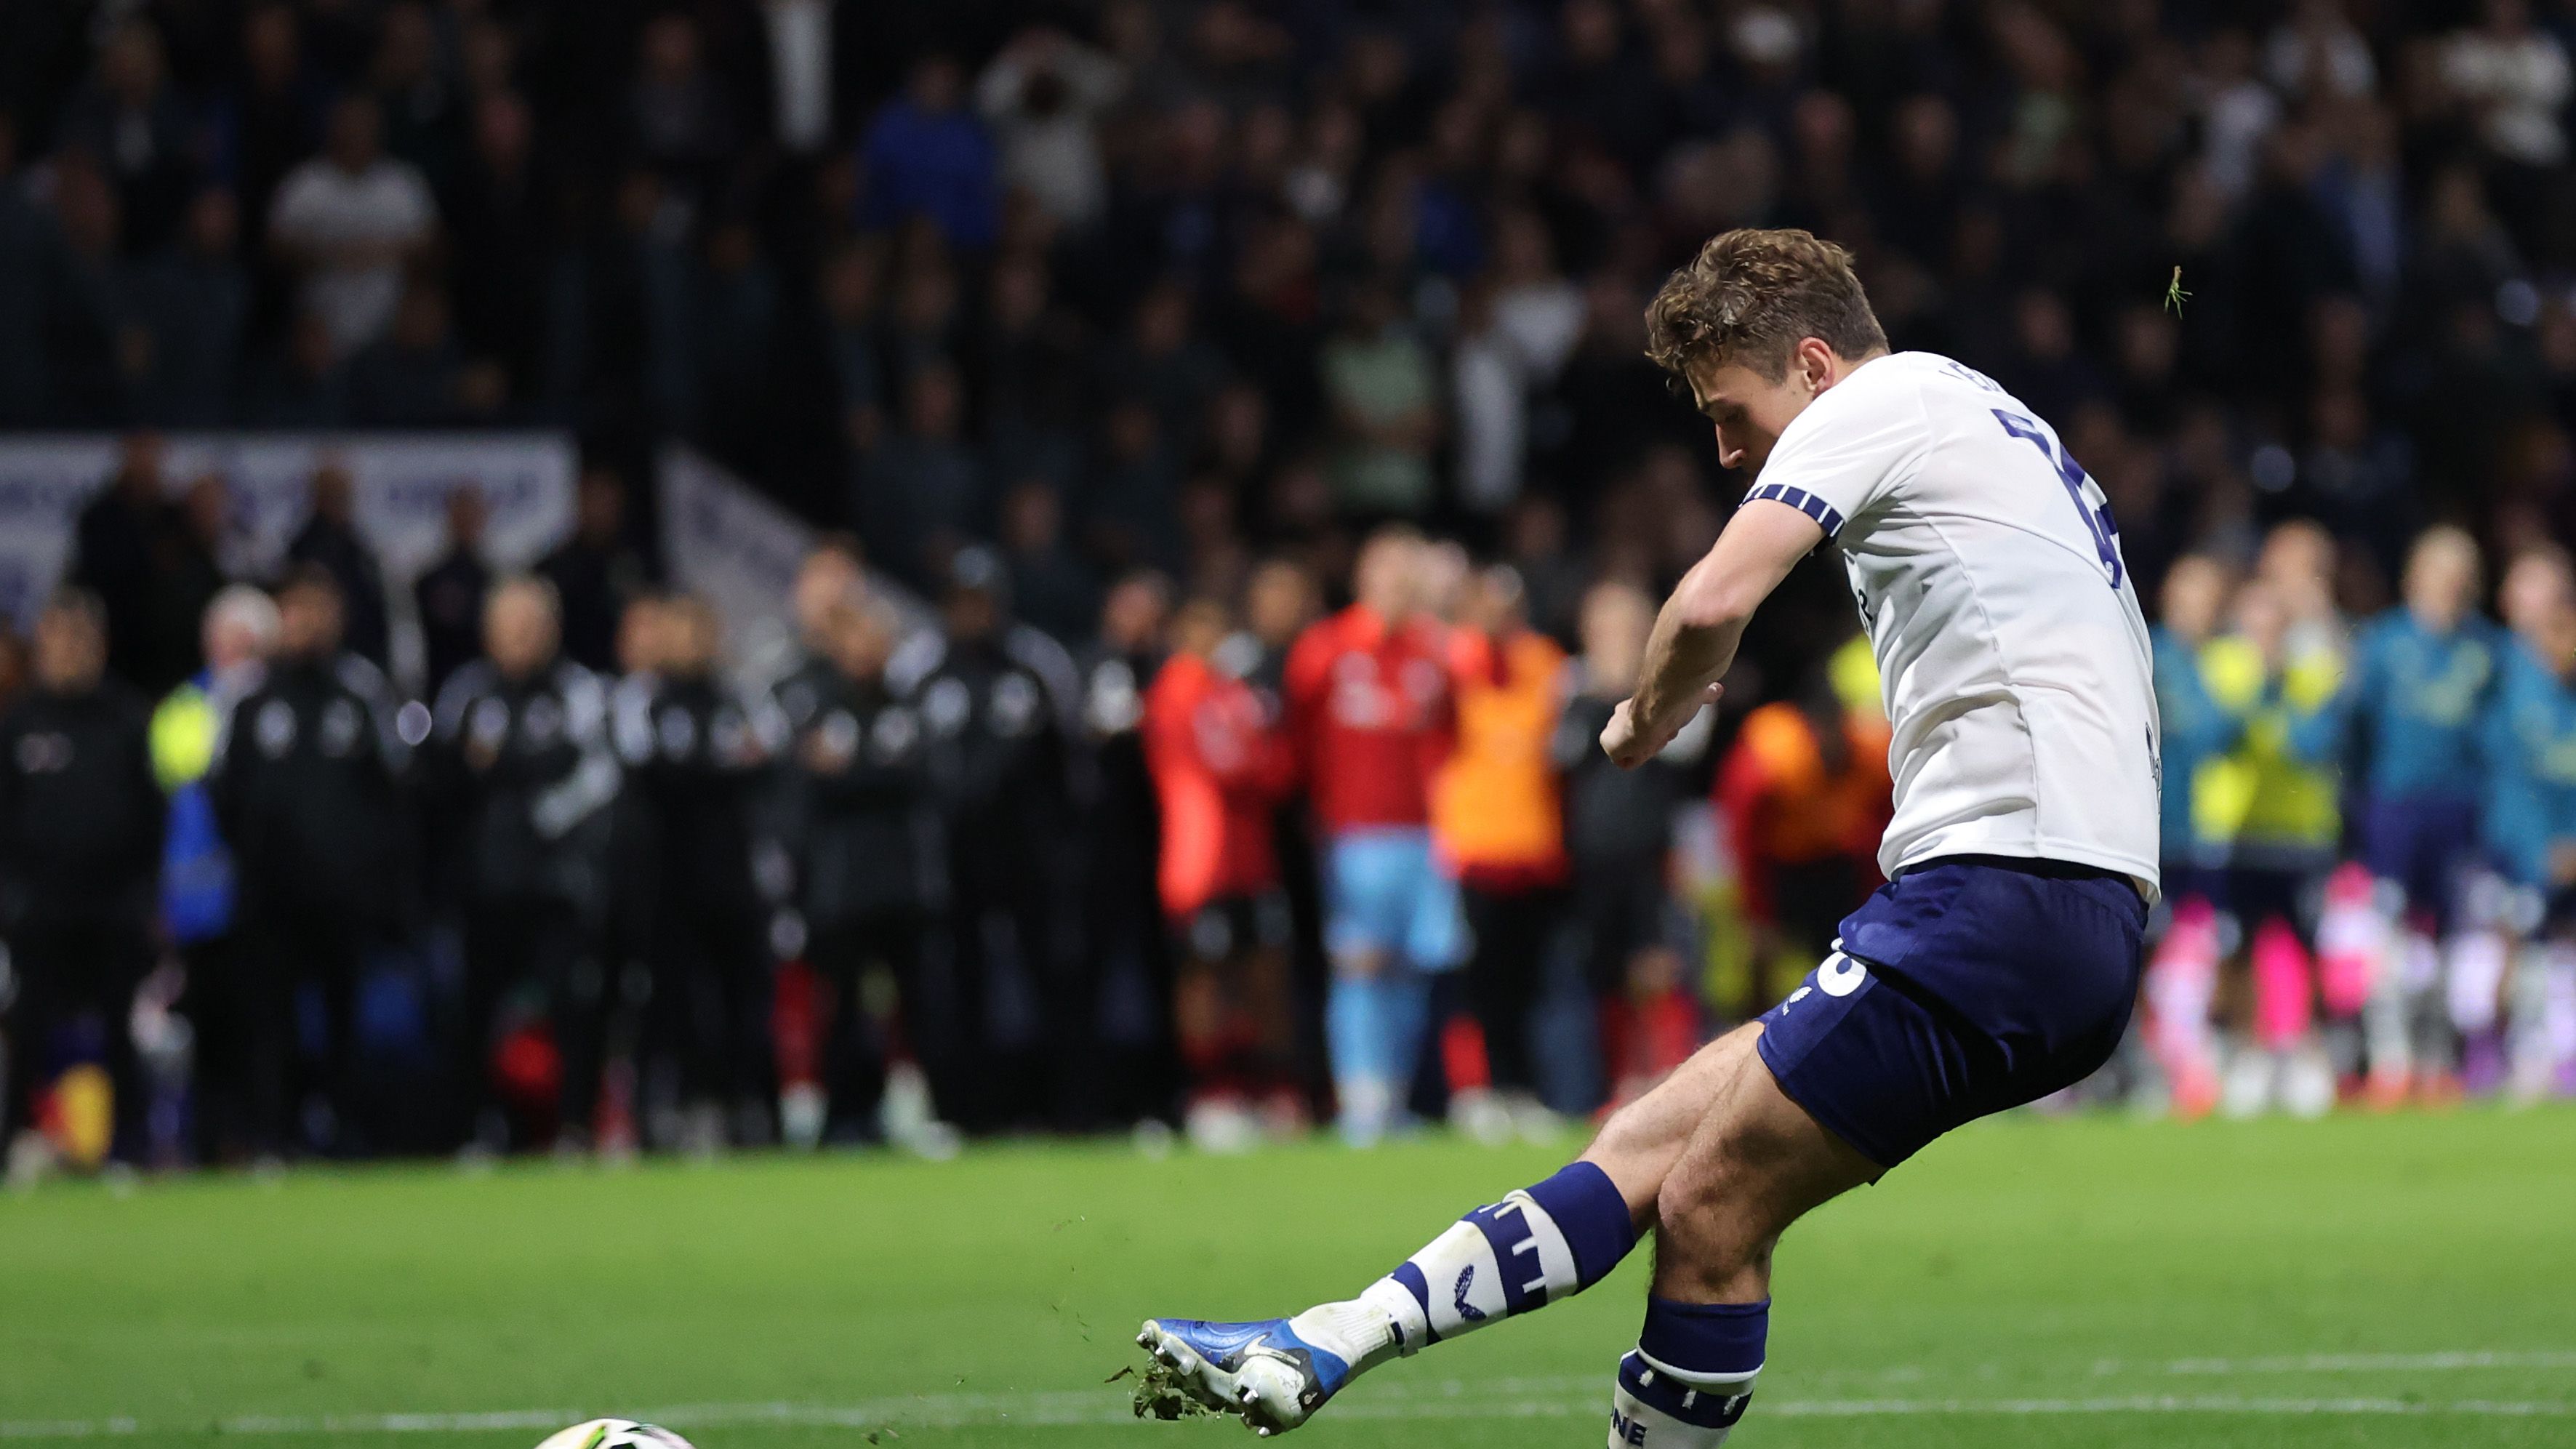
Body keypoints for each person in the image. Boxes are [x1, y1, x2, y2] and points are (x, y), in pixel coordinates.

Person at [1138, 228, 2160, 1448]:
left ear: (1814, 362)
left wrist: (1643, 713)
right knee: (1649, 1138)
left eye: (1731, 412)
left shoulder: (1878, 399)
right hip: (2046, 903)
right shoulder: (1979, 416)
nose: (1726, 450)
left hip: (2005, 893)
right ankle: (1323, 1338)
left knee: (1711, 1205)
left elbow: (1713, 597)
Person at [207, 569, 412, 1155]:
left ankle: (344, 1132)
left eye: (317, 609)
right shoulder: (246, 695)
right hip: (268, 894)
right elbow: (222, 790)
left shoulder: (362, 690)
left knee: (345, 1017)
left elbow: (393, 791)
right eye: (295, 610)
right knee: (269, 1021)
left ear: (338, 617)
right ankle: (273, 1135)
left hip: (342, 893)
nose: (305, 623)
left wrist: (372, 874)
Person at [889, 547, 1081, 1131]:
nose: (972, 612)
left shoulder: (1035, 660)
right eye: (960, 601)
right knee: (957, 980)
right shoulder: (918, 666)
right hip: (950, 854)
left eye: (981, 600)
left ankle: (1065, 1108)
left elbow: (1071, 756)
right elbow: (901, 758)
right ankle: (966, 1112)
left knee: (1050, 971)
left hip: (1028, 850)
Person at [1282, 526, 1461, 1145]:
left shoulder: (1433, 654)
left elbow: (1453, 739)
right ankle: (1361, 1102)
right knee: (1359, 967)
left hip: (1422, 835)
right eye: (1389, 573)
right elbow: (1297, 741)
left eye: (1409, 575)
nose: (1399, 586)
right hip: (1353, 836)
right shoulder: (1324, 650)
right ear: (1365, 578)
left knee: (1412, 968)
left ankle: (1394, 1099)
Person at [429, 576, 619, 1154]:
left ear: (552, 628)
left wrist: (529, 805)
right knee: (473, 1013)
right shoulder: (467, 691)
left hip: (557, 883)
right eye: (508, 624)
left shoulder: (577, 690)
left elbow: (597, 778)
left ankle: (573, 1129)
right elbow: (442, 778)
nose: (519, 636)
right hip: (484, 884)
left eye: (530, 624)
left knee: (574, 1008)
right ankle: (474, 1131)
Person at [0, 591, 165, 1173]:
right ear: (41, 645)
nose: (69, 652)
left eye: (80, 640)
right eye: (58, 639)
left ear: (99, 646)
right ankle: (14, 1144)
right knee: (28, 1028)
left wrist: (146, 894)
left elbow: (153, 816)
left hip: (113, 906)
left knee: (120, 1030)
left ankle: (132, 1148)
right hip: (39, 908)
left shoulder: (126, 718)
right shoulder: (19, 723)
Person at [610, 594, 772, 1150]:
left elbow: (766, 757)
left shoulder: (739, 697)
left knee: (741, 999)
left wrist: (698, 769)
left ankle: (744, 1108)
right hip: (665, 880)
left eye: (699, 631)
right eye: (678, 631)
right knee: (668, 1001)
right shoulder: (643, 700)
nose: (690, 643)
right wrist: (717, 766)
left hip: (731, 876)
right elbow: (646, 769)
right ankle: (669, 1109)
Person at [790, 590, 952, 1147]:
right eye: (855, 639)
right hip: (842, 887)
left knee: (921, 1005)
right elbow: (812, 787)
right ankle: (846, 1118)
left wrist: (853, 771)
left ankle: (935, 1110)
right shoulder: (819, 705)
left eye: (876, 639)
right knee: (842, 1012)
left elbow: (922, 775)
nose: (866, 651)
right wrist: (873, 771)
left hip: (906, 883)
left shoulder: (906, 705)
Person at [1143, 596, 1297, 1150]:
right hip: (1200, 863)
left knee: (1264, 976)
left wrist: (1252, 754)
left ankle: (1267, 1089)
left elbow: (1279, 768)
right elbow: (1227, 762)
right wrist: (1250, 754)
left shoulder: (1234, 691)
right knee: (1205, 979)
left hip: (1251, 860)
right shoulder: (1176, 690)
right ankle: (1213, 1095)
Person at [1430, 565, 1570, 1141]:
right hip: (1470, 845)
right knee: (1473, 979)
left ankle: (1518, 1090)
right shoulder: (1448, 661)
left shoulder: (1544, 661)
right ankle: (1475, 1090)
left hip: (1533, 845)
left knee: (1523, 980)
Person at [151, 585, 277, 1161]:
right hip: (201, 895)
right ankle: (205, 1144)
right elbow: (175, 800)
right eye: (228, 641)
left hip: (269, 895)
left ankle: (264, 1140)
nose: (237, 654)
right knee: (208, 1027)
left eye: (248, 643)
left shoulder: (282, 704)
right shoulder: (185, 708)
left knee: (266, 1026)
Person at [2346, 527, 2498, 939]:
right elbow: (2357, 727)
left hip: (2461, 808)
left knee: (2458, 930)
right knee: (2387, 927)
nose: (2451, 584)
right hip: (2395, 804)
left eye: (2461, 573)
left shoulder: (2487, 648)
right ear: (2414, 576)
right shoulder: (2382, 641)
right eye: (2440, 571)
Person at [415, 486, 491, 700]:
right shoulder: (428, 581)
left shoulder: (494, 582)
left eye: (471, 515)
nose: (466, 521)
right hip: (439, 683)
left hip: (486, 686)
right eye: (460, 514)